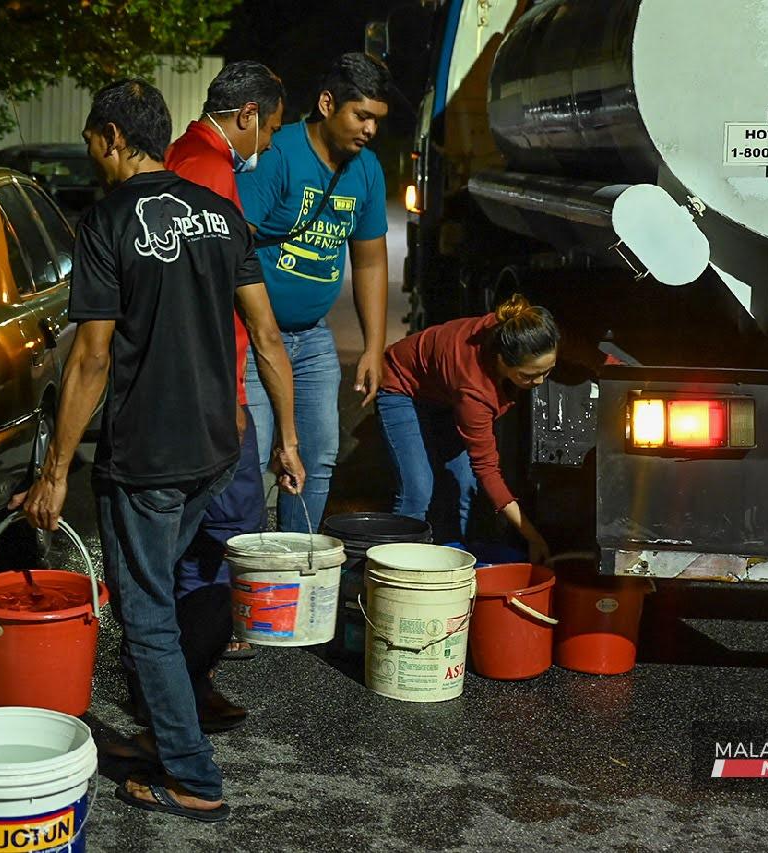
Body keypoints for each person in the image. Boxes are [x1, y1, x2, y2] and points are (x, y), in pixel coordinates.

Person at [16, 79, 298, 823]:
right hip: (218, 446)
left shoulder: (105, 223)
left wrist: (53, 473)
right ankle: (166, 726)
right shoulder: (222, 214)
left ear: (112, 136)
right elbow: (268, 339)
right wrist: (287, 441)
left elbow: (90, 360)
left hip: (147, 455)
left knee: (143, 611)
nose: (89, 152)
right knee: (162, 588)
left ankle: (193, 774)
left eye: (89, 139)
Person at [163, 61, 292, 699]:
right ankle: (182, 679)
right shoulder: (209, 174)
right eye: (266, 131)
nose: (266, 146)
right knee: (234, 530)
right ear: (245, 116)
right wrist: (236, 402)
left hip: (199, 390)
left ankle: (185, 673)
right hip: (213, 393)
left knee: (196, 538)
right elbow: (214, 304)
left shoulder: (185, 156)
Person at [237, 52, 392, 533]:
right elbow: (234, 246)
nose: (369, 130)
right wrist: (259, 335)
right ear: (327, 103)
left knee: (320, 455)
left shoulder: (366, 170)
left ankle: (294, 569)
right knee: (255, 458)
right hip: (253, 338)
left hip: (312, 339)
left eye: (376, 120)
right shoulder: (276, 156)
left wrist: (373, 346)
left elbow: (369, 259)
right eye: (360, 115)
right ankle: (243, 578)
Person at [377, 294, 559, 563]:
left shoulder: (514, 329)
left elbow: (585, 352)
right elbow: (486, 468)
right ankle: (397, 573)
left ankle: (454, 564)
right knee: (418, 489)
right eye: (528, 375)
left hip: (443, 395)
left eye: (547, 371)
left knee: (462, 486)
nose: (539, 381)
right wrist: (533, 537)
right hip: (402, 386)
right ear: (501, 360)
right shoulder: (474, 390)